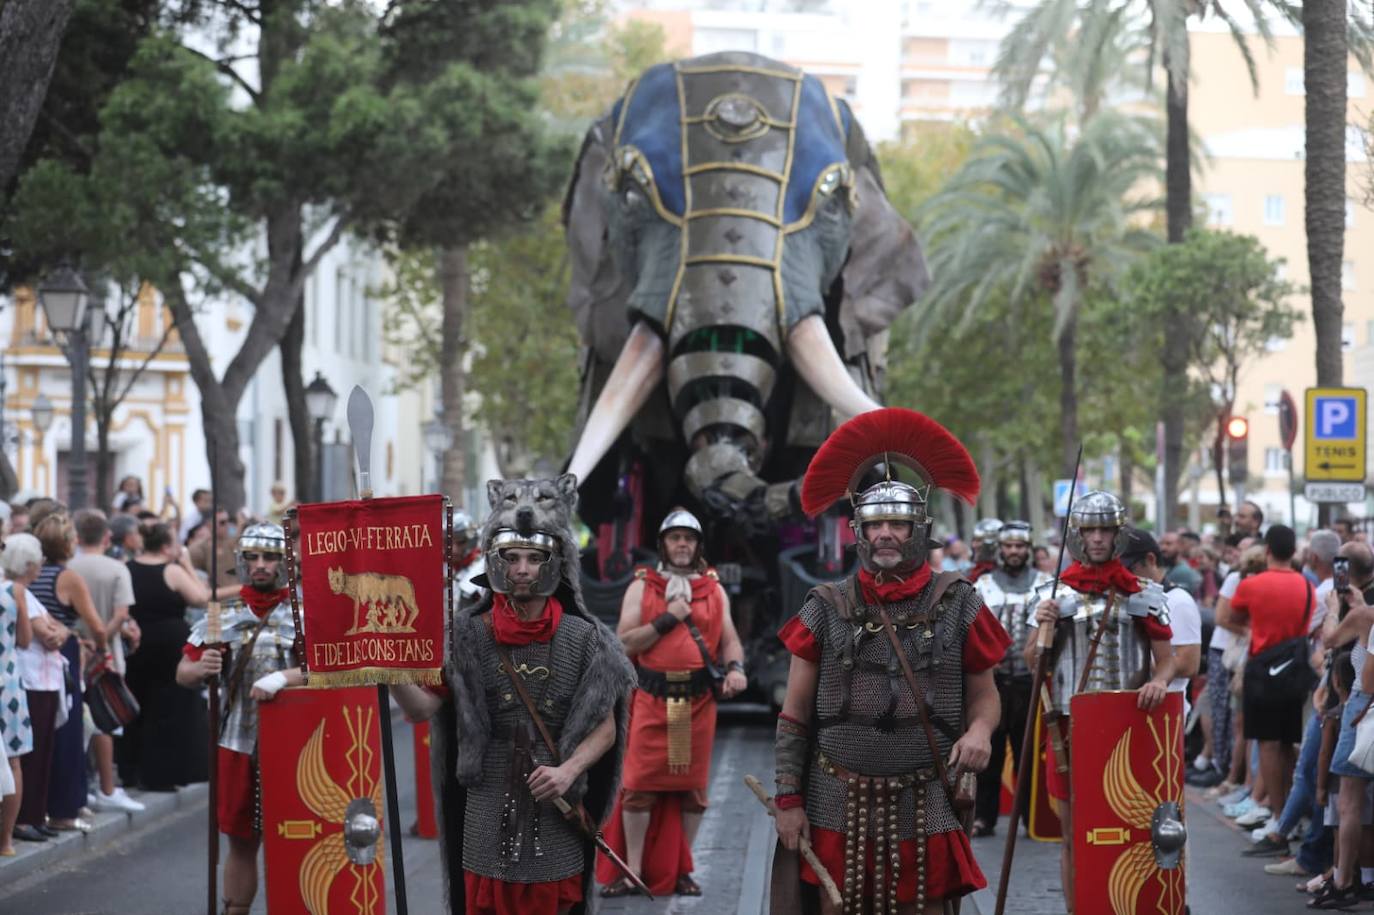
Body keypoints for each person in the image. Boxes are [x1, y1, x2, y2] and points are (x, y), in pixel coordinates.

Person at [773, 408, 1009, 914]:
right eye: (875, 523)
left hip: (924, 800)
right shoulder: (825, 607)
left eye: (897, 524)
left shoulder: (959, 602)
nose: (885, 533)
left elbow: (985, 694)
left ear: (919, 529)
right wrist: (789, 800)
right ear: (858, 530)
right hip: (837, 799)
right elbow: (794, 716)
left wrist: (980, 732)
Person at [392, 475, 636, 915]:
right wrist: (389, 672)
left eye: (534, 558)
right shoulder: (466, 637)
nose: (522, 568)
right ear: (495, 563)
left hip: (554, 807)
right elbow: (423, 708)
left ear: (553, 563)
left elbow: (605, 729)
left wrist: (568, 772)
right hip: (487, 806)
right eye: (511, 557)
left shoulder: (585, 639)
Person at [1028, 491, 1175, 914]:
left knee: (1133, 830)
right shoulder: (1053, 592)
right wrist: (1044, 625)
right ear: (1077, 534)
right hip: (1070, 728)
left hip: (1130, 728)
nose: (1097, 538)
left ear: (1118, 534)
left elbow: (1167, 661)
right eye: (1090, 530)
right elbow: (1033, 662)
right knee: (1074, 833)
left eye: (1105, 530)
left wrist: (1159, 683)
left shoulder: (1143, 593)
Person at [599, 509, 746, 897]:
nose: (682, 544)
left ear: (698, 545)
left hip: (694, 705)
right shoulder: (643, 587)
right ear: (663, 544)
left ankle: (682, 868)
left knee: (691, 788)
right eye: (675, 537)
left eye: (689, 538)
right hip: (651, 699)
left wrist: (735, 668)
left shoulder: (712, 590)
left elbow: (730, 639)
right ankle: (632, 870)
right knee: (639, 785)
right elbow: (624, 644)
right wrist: (669, 618)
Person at [176, 522, 302, 915]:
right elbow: (183, 672)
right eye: (253, 557)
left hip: (296, 746)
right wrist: (201, 668)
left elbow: (328, 670)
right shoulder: (219, 615)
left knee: (298, 839)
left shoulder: (306, 613)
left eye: (270, 557)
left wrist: (284, 677)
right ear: (242, 562)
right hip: (236, 742)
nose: (261, 564)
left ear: (285, 563)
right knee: (241, 841)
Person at [1216, 524, 1315, 845]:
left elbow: (1230, 617)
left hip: (1263, 669)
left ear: (1268, 550)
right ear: (1294, 551)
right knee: (1287, 743)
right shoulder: (1306, 584)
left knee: (1268, 745)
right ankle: (1290, 815)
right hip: (1295, 669)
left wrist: (1256, 626)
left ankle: (1278, 817)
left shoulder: (1252, 584)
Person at [1301, 541, 1374, 907]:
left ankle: (1344, 879)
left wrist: (1333, 609)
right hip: (1360, 704)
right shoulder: (1365, 610)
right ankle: (1356, 876)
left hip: (1361, 705)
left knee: (1348, 802)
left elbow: (1331, 641)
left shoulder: (1364, 615)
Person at [29, 512, 109, 833]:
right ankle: (64, 809)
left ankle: (41, 807)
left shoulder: (32, 574)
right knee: (67, 730)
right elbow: (96, 624)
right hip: (62, 654)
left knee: (42, 733)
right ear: (67, 543)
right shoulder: (68, 577)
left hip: (31, 654)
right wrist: (101, 647)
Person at [972, 520, 1052, 837]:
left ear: (1028, 549)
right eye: (1009, 546)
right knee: (988, 752)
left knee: (1027, 754)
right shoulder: (983, 584)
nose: (1014, 551)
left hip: (1030, 682)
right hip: (992, 681)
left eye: (1020, 546)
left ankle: (1031, 818)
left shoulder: (1045, 584)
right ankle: (984, 816)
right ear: (1000, 549)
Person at [123, 521, 213, 792]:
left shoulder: (128, 567)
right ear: (166, 547)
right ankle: (161, 772)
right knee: (168, 707)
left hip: (138, 643)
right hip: (169, 645)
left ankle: (131, 768)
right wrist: (187, 565)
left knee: (138, 703)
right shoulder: (171, 570)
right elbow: (201, 597)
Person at [67, 509, 145, 813]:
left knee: (77, 719)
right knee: (105, 720)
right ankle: (107, 787)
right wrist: (103, 643)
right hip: (106, 654)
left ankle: (82, 784)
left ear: (77, 536)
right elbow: (121, 614)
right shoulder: (116, 569)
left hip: (74, 649)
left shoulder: (68, 567)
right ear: (107, 536)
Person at [7, 533, 61, 846]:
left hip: (40, 679)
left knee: (40, 753)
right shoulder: (16, 592)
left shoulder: (25, 592)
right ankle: (25, 819)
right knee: (29, 755)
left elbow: (58, 628)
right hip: (29, 679)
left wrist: (58, 631)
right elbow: (42, 635)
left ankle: (35, 816)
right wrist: (56, 631)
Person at [1119, 529, 1202, 715]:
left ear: (1150, 560)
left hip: (1164, 710)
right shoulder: (1127, 599)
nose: (1122, 576)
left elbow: (1190, 664)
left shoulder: (1178, 600)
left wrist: (1131, 662)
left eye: (1128, 569)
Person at [0, 533, 35, 856]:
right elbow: (25, 639)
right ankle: (6, 840)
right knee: (13, 761)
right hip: (7, 682)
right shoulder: (14, 591)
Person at [449, 509, 486, 604]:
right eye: (448, 543)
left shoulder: (481, 567)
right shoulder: (440, 567)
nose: (453, 550)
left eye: (460, 542)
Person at [1159, 529, 1203, 598]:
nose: (1163, 547)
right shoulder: (1167, 567)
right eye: (1161, 543)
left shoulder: (1186, 571)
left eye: (1168, 544)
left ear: (1181, 546)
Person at [966, 518, 1003, 583]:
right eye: (973, 540)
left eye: (979, 540)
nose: (974, 545)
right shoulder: (971, 571)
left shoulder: (1002, 573)